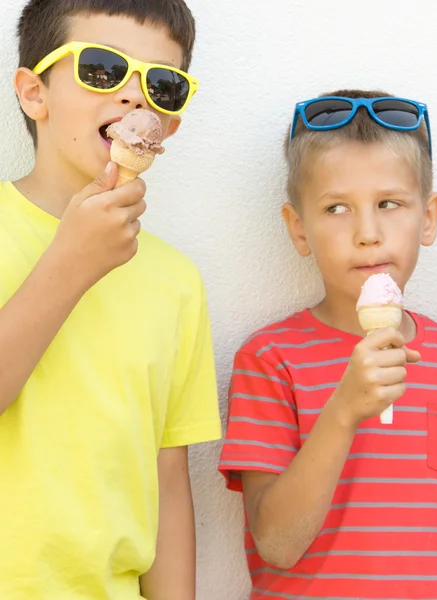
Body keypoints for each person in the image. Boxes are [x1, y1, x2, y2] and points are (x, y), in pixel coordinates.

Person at [0, 1, 221, 598]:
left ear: (169, 124)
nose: (133, 96)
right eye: (102, 68)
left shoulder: (176, 281)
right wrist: (68, 267)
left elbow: (167, 478)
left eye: (163, 84)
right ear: (33, 94)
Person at [219, 89, 437, 599]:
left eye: (389, 203)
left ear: (428, 217)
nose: (367, 233)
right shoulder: (271, 360)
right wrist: (343, 410)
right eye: (337, 208)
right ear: (299, 229)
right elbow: (277, 544)